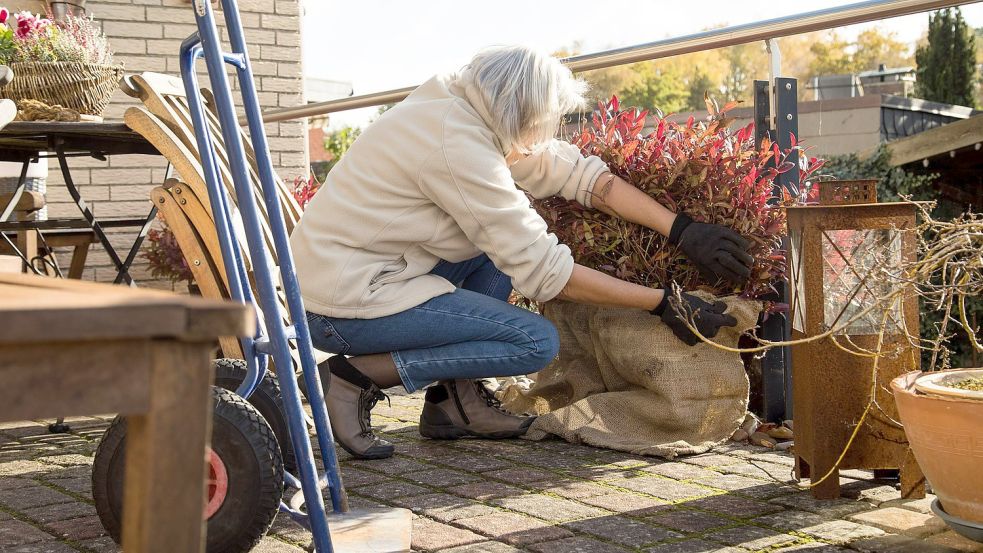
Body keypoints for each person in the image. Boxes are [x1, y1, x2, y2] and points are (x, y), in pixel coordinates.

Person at [290, 45, 753, 460]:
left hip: (367, 273)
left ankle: (456, 404)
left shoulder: (465, 107)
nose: (540, 137)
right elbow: (551, 274)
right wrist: (663, 303)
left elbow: (588, 180)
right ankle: (352, 376)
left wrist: (684, 230)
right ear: (519, 110)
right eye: (540, 124)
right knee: (533, 343)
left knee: (496, 250)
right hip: (343, 305)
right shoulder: (457, 144)